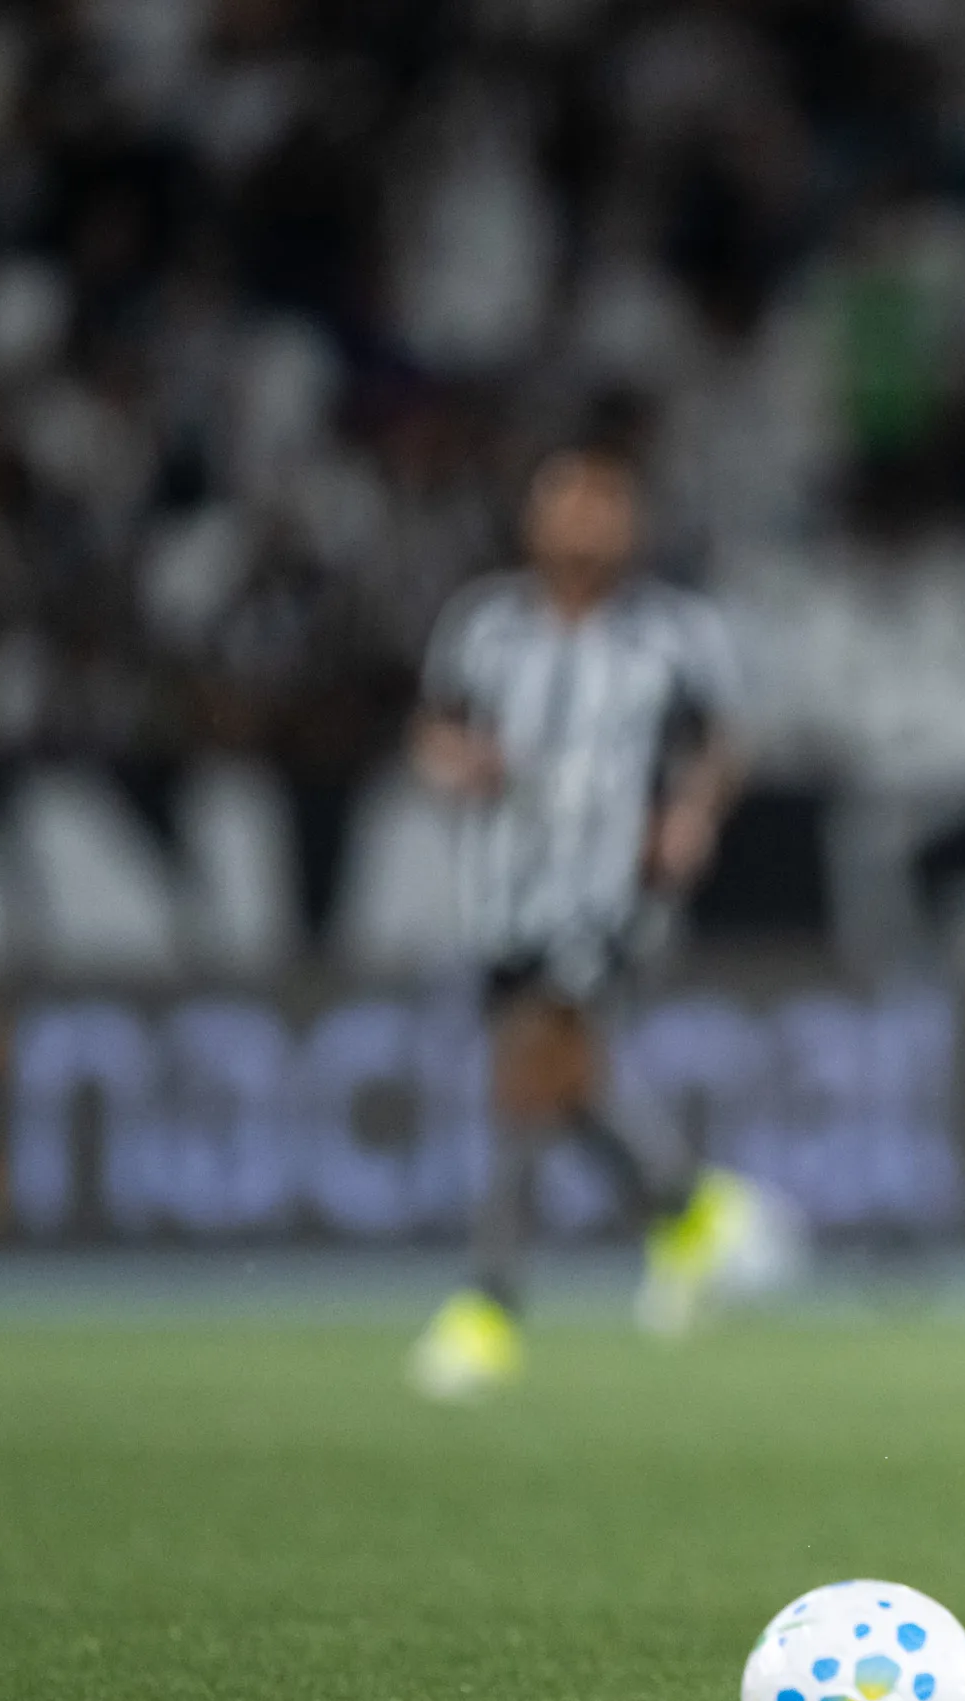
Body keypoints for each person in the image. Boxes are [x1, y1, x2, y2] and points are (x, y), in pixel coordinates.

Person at [404, 443, 780, 1401]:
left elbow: (722, 742)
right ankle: (690, 1210)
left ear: (632, 522)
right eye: (567, 502)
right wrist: (453, 763)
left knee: (532, 1061)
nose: (584, 522)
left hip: (614, 892)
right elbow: (437, 729)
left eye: (604, 504)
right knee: (562, 1080)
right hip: (503, 894)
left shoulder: (673, 633)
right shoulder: (485, 627)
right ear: (535, 519)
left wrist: (692, 813)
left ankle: (488, 1306)